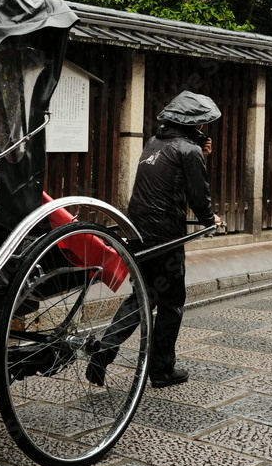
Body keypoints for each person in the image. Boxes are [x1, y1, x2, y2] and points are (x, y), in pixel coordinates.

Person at [87, 91, 223, 389]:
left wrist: (200, 150)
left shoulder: (154, 142)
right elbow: (198, 196)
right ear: (194, 125)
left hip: (138, 230)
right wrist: (209, 219)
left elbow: (169, 171)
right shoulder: (189, 151)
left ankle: (103, 352)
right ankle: (161, 371)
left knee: (143, 297)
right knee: (172, 302)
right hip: (166, 236)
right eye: (201, 126)